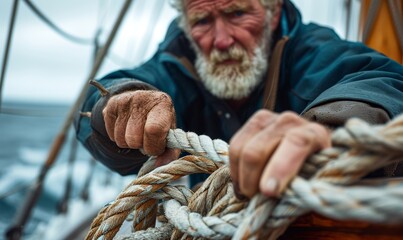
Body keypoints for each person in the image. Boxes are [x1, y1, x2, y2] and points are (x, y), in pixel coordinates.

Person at [74, 0, 403, 199]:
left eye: (237, 14)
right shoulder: (176, 64)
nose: (221, 40)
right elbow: (101, 98)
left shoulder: (310, 50)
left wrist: (331, 129)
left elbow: (385, 81)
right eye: (202, 21)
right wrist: (120, 103)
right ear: (186, 28)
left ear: (273, 14)